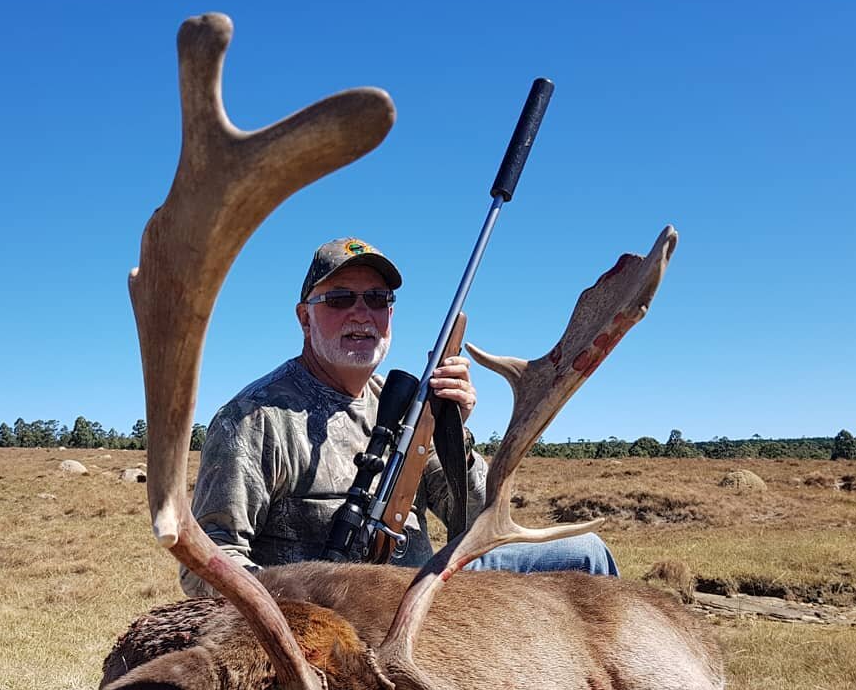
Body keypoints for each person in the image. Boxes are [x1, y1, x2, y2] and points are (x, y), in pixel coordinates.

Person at [180, 238, 617, 598]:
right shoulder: (254, 419)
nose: (361, 313)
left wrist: (452, 434)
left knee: (586, 555)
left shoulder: (405, 405)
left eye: (377, 299)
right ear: (304, 318)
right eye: (339, 299)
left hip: (428, 594)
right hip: (332, 623)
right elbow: (208, 563)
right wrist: (302, 608)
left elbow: (474, 519)